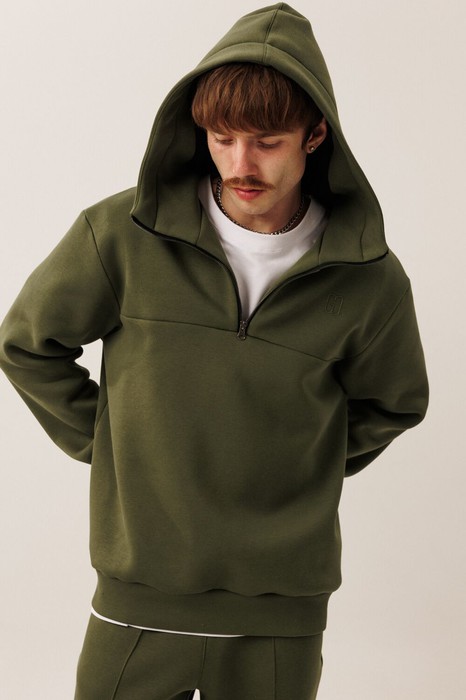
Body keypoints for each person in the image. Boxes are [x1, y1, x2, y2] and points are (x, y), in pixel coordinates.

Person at [0, 3, 429, 699]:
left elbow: (396, 402)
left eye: (267, 142)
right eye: (222, 138)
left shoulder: (369, 278)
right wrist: (118, 447)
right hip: (137, 601)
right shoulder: (121, 236)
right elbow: (27, 345)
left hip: (280, 615)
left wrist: (298, 468)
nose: (240, 163)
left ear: (315, 134)